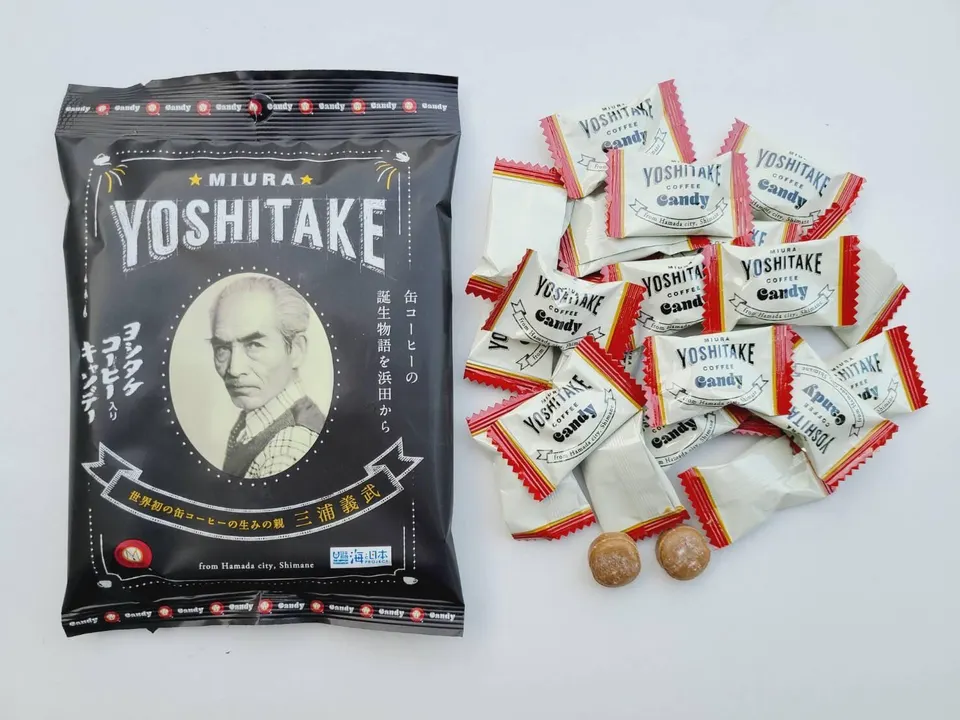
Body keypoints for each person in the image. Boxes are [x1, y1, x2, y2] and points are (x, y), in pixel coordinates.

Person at [209, 276, 325, 478]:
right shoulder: (256, 422)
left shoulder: (287, 450)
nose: (234, 369)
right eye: (222, 348)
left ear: (296, 349)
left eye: (254, 345)